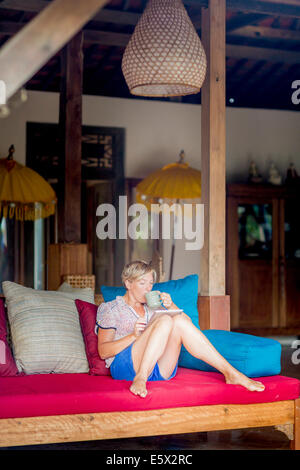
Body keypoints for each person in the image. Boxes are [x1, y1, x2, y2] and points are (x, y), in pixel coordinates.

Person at [96, 260, 265, 398]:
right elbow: (104, 352)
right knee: (165, 321)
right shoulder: (111, 308)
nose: (149, 289)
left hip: (158, 368)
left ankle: (231, 373)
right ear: (128, 283)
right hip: (126, 367)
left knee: (174, 321)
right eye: (142, 283)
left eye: (151, 284)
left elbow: (186, 325)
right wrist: (134, 336)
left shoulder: (152, 307)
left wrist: (171, 305)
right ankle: (140, 377)